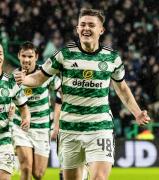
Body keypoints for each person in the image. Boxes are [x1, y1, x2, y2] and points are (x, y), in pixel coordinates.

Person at [14, 9, 151, 180]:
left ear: (101, 30)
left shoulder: (112, 58)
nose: (86, 28)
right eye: (83, 24)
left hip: (100, 128)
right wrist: (24, 79)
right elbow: (40, 77)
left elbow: (122, 88)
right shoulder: (64, 55)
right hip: (69, 129)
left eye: (91, 25)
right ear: (77, 28)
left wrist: (137, 112)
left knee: (99, 178)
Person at [12, 41, 61, 180]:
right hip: (21, 127)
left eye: (30, 56)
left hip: (42, 128)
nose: (26, 60)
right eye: (23, 56)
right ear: (18, 56)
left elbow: (61, 92)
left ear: (36, 57)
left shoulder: (45, 74)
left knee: (38, 174)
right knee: (26, 167)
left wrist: (56, 123)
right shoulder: (13, 78)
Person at [0, 43, 30, 180]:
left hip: (4, 140)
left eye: (0, 54)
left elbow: (24, 108)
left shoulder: (11, 82)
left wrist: (26, 118)